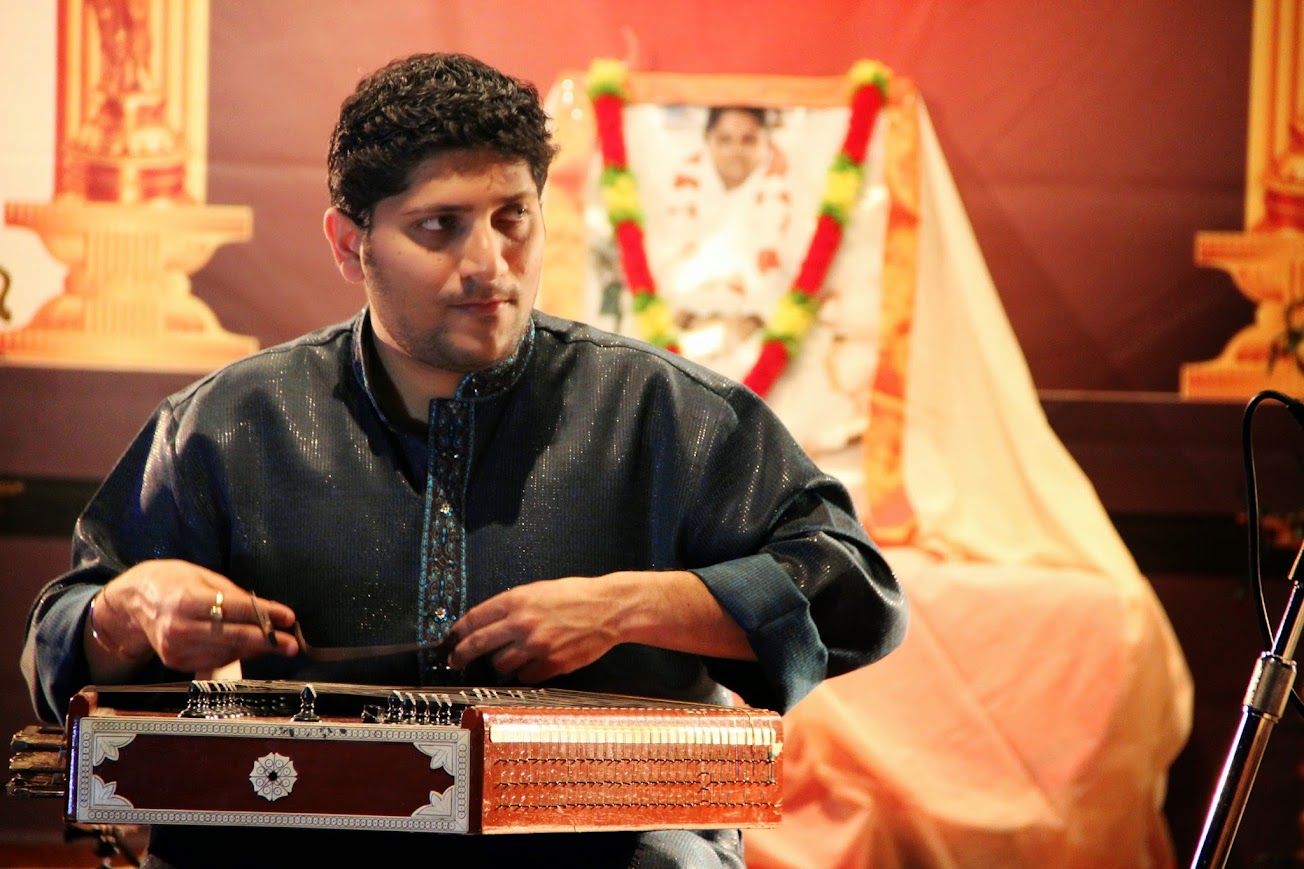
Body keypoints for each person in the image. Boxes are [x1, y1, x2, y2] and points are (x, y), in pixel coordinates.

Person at [21, 52, 907, 868]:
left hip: (604, 844)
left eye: (513, 218)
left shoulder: (664, 413)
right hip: (312, 835)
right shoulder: (233, 424)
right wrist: (128, 612)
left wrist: (625, 605)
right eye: (440, 227)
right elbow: (63, 640)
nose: (491, 265)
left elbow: (856, 592)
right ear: (348, 243)